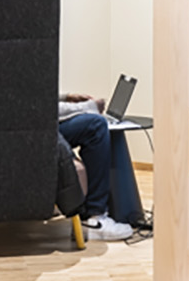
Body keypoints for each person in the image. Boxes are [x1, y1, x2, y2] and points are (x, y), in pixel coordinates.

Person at [59, 92, 148, 241]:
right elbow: (43, 107)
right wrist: (89, 107)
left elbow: (40, 99)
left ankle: (92, 215)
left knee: (93, 123)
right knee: (96, 125)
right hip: (38, 128)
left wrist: (66, 98)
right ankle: (95, 218)